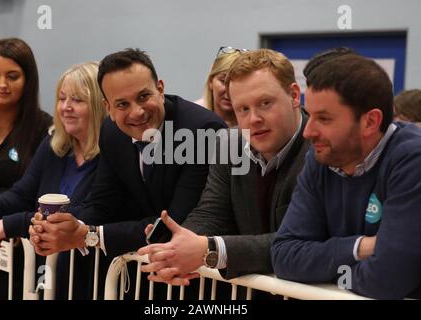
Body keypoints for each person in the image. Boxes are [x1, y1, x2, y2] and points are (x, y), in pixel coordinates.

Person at [28, 49, 226, 264]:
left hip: (199, 276)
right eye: (122, 104)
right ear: (108, 108)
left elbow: (174, 224)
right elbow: (103, 205)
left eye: (143, 96)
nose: (137, 112)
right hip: (146, 272)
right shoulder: (112, 132)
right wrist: (59, 228)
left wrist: (88, 235)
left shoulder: (201, 130)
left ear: (160, 89)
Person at [137, 49, 310, 288]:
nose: (253, 119)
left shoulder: (321, 149)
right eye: (243, 109)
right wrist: (176, 248)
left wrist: (209, 249)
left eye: (265, 103)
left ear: (293, 95)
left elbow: (301, 240)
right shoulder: (229, 143)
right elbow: (211, 212)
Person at [271, 54, 421, 299]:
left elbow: (387, 279)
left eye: (324, 118)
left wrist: (326, 270)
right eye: (310, 115)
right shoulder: (321, 158)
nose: (308, 131)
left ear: (370, 122)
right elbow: (285, 256)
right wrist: (361, 248)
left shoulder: (412, 159)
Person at [0, 62, 107, 299]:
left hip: (91, 279)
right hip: (47, 276)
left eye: (77, 100)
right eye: (62, 98)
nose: (66, 107)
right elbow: (22, 193)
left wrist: (9, 224)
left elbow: (83, 214)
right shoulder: (54, 144)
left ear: (98, 105)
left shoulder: (111, 154)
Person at [0, 37, 52, 299]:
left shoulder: (44, 130)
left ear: (28, 80)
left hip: (15, 249)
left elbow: (29, 196)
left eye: (13, 76)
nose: (2, 84)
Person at [195, 47, 247, 127]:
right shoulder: (193, 117)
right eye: (223, 81)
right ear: (211, 81)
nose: (229, 90)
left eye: (238, 83)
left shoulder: (255, 121)